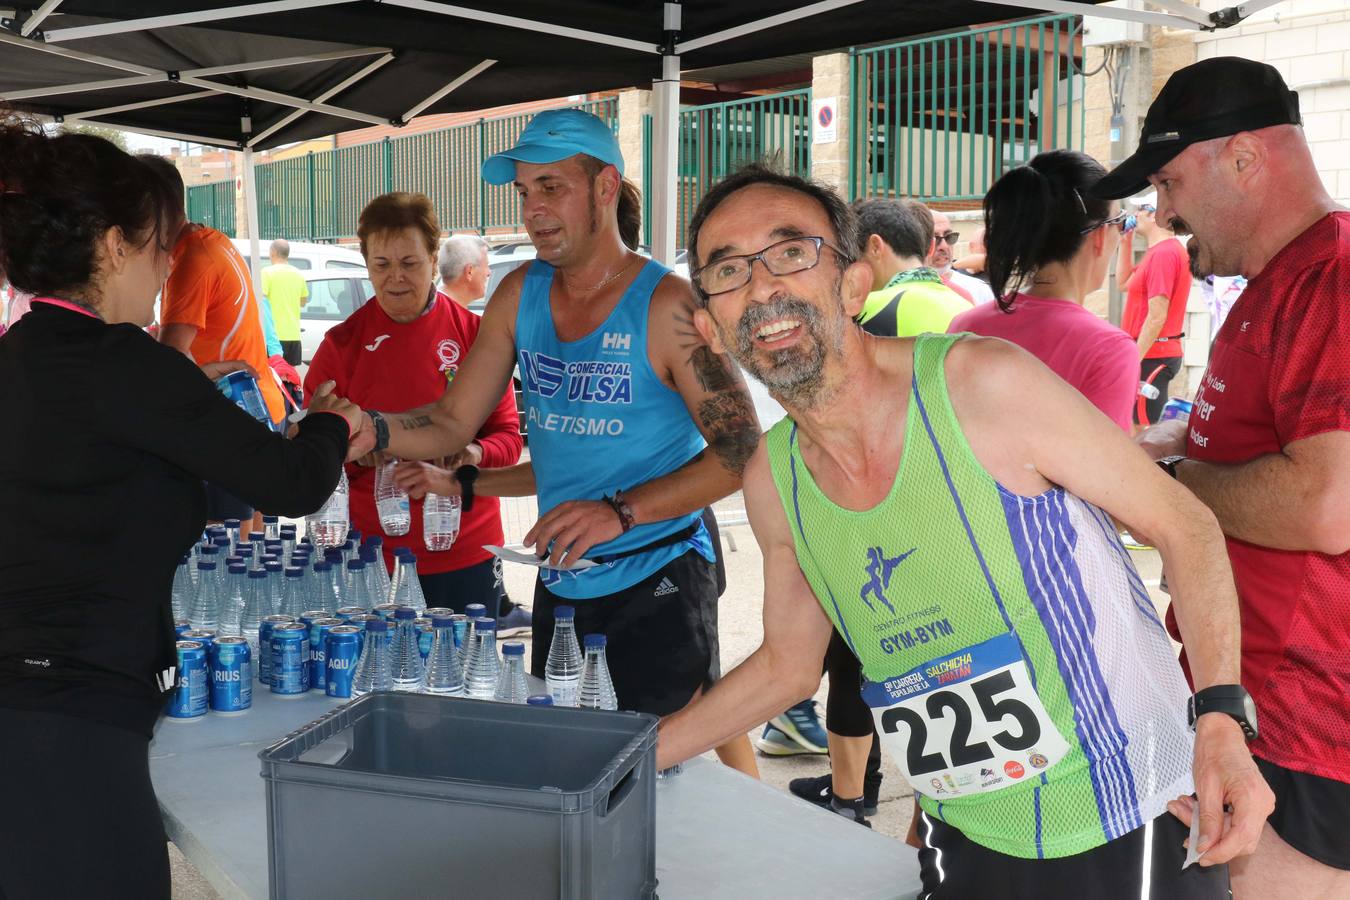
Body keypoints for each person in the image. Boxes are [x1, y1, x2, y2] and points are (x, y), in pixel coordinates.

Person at [656, 163, 1273, 897]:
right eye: (727, 271)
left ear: (855, 283)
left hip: (1126, 811)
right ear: (710, 326)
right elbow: (790, 665)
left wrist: (1222, 724)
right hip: (965, 831)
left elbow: (1187, 527)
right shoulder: (772, 477)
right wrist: (633, 755)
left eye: (791, 253)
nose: (761, 288)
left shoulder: (982, 384)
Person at [0, 117, 360, 899]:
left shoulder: (20, 358)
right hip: (74, 726)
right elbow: (293, 481)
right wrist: (334, 423)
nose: (168, 269)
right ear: (113, 245)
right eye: (160, 246)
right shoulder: (128, 364)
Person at [363, 108, 761, 777]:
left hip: (658, 570)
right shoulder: (521, 293)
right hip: (564, 579)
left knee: (660, 772)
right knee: (572, 760)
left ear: (605, 186)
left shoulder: (666, 304)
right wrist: (367, 428)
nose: (534, 209)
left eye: (552, 187)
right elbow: (455, 422)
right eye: (524, 192)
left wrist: (621, 511)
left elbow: (743, 450)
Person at [1097, 56, 1350, 899]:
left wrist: (1163, 494)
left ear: (1244, 157)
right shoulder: (1281, 280)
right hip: (1267, 701)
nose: (1162, 211)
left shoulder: (1332, 278)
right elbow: (1268, 437)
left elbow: (1329, 501)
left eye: (1169, 180)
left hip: (1303, 718)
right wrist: (1171, 439)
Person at [781, 196, 970, 819]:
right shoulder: (963, 303)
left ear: (873, 253)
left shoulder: (875, 312)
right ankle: (933, 807)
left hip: (878, 515)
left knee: (850, 664)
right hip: (957, 521)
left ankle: (850, 795)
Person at [304, 193, 527, 628]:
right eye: (381, 265)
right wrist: (351, 455)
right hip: (374, 559)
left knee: (463, 681)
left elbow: (508, 437)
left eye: (410, 262)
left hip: (466, 547)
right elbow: (313, 458)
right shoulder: (341, 346)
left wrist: (473, 455)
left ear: (432, 256)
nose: (396, 278)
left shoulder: (475, 335)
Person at [144, 156, 287, 535]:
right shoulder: (212, 240)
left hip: (231, 417)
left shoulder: (191, 260)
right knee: (251, 549)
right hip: (254, 408)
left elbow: (172, 356)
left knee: (224, 559)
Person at [950, 149, 1140, 432]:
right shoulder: (1109, 351)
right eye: (1120, 223)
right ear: (1100, 236)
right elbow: (1104, 472)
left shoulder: (966, 326)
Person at [1114, 191, 1191, 427]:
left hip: (1152, 354)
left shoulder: (1165, 254)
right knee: (1138, 428)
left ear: (1153, 215)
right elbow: (1123, 283)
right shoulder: (1156, 253)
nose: (1135, 215)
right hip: (1150, 352)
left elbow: (1157, 315)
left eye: (1140, 210)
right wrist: (1125, 242)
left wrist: (1133, 359)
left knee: (1148, 434)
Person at [852, 198, 970, 336]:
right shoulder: (966, 307)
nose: (852, 267)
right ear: (929, 246)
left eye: (855, 256)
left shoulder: (866, 308)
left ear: (875, 247)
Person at [929, 209, 995, 305]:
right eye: (934, 239)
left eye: (949, 237)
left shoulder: (979, 290)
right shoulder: (903, 289)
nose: (944, 246)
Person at [261, 238, 309, 367]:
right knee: (290, 379)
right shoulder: (298, 274)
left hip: (273, 337)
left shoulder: (266, 273)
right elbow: (303, 301)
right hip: (293, 335)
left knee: (274, 378)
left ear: (273, 252)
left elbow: (260, 300)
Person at [438, 234, 491, 309]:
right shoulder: (450, 316)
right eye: (486, 265)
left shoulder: (436, 307)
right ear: (470, 271)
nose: (489, 273)